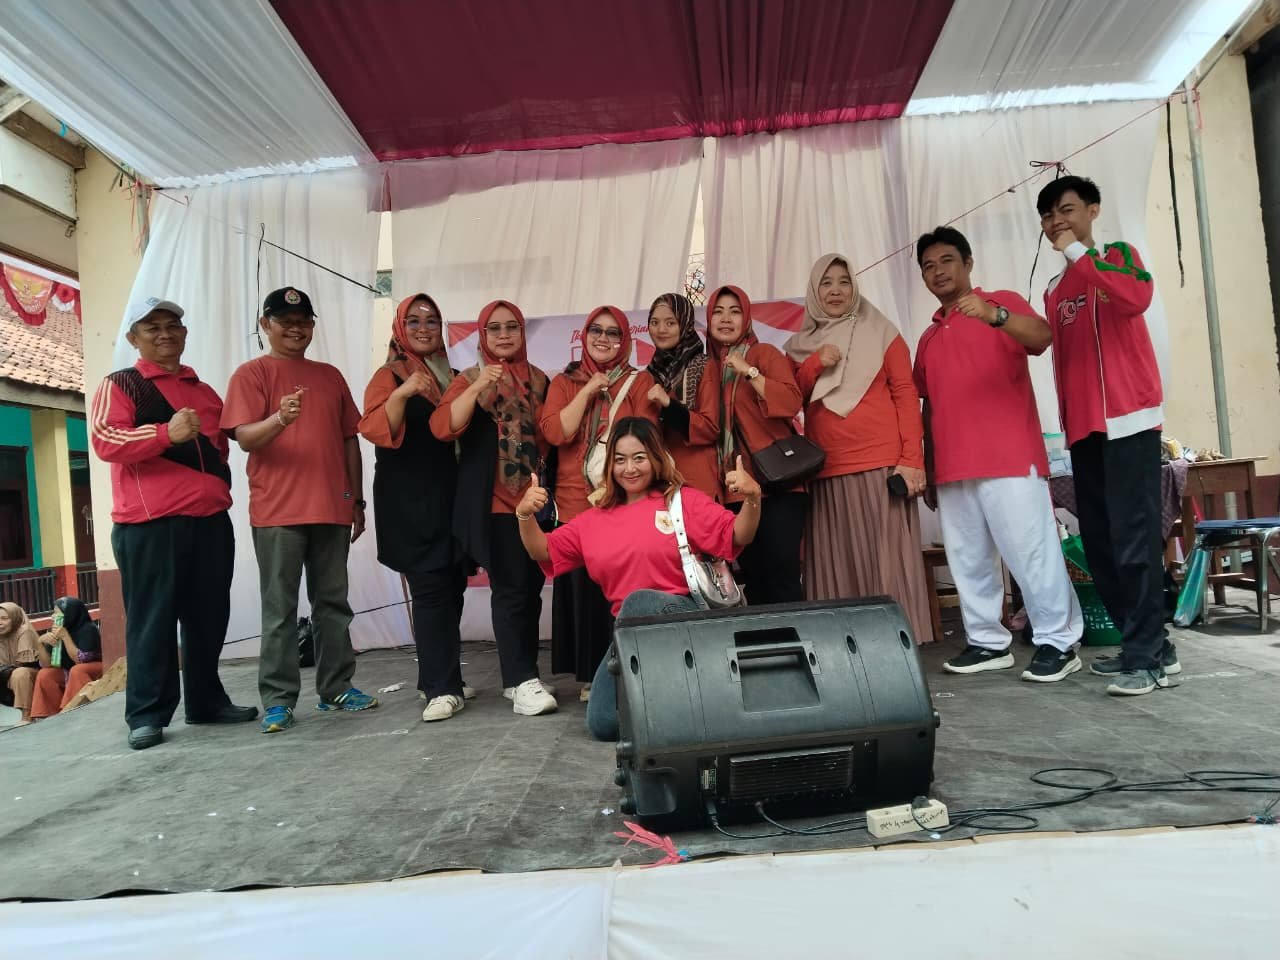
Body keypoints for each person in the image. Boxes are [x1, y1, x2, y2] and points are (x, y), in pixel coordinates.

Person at [514, 416, 761, 740]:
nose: (629, 468)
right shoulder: (593, 520)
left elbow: (739, 534)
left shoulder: (682, 501)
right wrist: (524, 515)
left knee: (639, 600)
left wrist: (753, 498)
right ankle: (688, 711)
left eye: (639, 457)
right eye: (620, 460)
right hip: (631, 636)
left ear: (656, 458)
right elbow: (542, 550)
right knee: (604, 722)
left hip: (685, 621)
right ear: (609, 465)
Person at [914, 227, 1085, 681]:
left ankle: (1059, 641)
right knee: (968, 562)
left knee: (1031, 553)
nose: (938, 271)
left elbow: (1042, 336)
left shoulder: (1000, 304)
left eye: (946, 260)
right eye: (928, 266)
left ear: (968, 263)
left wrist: (995, 315)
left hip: (1010, 458)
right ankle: (987, 642)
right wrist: (930, 467)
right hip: (953, 467)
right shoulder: (928, 338)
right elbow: (928, 405)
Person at [90, 296, 256, 749]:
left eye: (172, 326)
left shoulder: (204, 390)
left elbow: (222, 445)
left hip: (210, 521)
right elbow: (105, 439)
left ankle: (206, 702)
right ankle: (147, 714)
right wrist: (165, 433)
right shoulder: (122, 384)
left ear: (184, 333)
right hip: (149, 525)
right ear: (134, 338)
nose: (165, 334)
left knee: (208, 617)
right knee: (152, 621)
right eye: (152, 328)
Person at [1038, 175, 1177, 696]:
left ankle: (1146, 660)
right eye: (1048, 215)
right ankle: (1152, 645)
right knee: (1100, 545)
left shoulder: (1117, 257)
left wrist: (1077, 252)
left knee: (1135, 541)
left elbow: (1136, 297)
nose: (1057, 221)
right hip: (1083, 430)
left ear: (1092, 210)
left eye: (1067, 209)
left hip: (1128, 421)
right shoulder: (1054, 290)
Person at [221, 286, 378, 734]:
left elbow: (350, 440)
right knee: (280, 610)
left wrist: (356, 499)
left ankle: (337, 689)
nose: (295, 329)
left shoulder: (329, 376)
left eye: (303, 322)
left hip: (332, 507)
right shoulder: (251, 374)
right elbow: (244, 438)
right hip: (278, 512)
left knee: (333, 605)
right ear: (265, 325)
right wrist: (280, 419)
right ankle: (278, 700)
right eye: (285, 321)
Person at [786, 254, 932, 645]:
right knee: (839, 562)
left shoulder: (883, 332)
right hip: (825, 467)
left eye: (844, 281)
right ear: (814, 291)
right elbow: (789, 399)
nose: (835, 290)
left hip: (881, 463)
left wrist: (912, 460)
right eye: (826, 283)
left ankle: (896, 644)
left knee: (886, 561)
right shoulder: (799, 345)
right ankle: (845, 645)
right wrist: (815, 363)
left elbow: (906, 394)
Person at [430, 299, 557, 717]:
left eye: (511, 327)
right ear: (482, 335)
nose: (503, 335)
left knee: (530, 588)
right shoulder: (469, 377)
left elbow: (549, 436)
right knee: (511, 589)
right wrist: (477, 387)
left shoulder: (539, 379)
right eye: (494, 329)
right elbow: (444, 427)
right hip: (495, 501)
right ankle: (522, 680)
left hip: (535, 500)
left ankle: (516, 678)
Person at [359, 293, 473, 723]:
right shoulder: (388, 375)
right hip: (410, 503)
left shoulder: (453, 375)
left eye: (432, 321)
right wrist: (404, 392)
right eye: (414, 320)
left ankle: (438, 678)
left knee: (453, 588)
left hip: (452, 501)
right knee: (430, 592)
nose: (424, 328)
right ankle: (442, 690)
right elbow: (375, 429)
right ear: (400, 328)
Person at [539, 306, 657, 697]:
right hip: (575, 502)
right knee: (583, 593)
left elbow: (647, 439)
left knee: (623, 589)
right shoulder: (565, 381)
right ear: (584, 335)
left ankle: (630, 671)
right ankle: (593, 676)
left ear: (625, 340)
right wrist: (590, 389)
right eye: (596, 331)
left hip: (623, 503)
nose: (603, 339)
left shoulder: (639, 382)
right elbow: (556, 433)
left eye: (612, 333)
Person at [705, 285, 805, 605]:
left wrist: (748, 371)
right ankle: (765, 638)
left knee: (782, 575)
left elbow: (790, 402)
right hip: (735, 489)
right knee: (754, 578)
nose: (726, 319)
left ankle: (792, 637)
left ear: (746, 318)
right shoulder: (706, 367)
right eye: (718, 312)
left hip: (777, 485)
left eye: (734, 311)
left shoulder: (764, 354)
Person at [645, 293, 722, 501]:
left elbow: (710, 428)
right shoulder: (649, 374)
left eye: (670, 323)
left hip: (696, 480)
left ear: (685, 325)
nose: (661, 329)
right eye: (655, 322)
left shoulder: (703, 365)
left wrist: (669, 404)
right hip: (659, 482)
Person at [31, 596, 103, 720]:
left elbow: (80, 660)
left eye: (56, 613)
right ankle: (49, 714)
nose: (53, 616)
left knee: (78, 670)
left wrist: (65, 636)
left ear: (70, 614)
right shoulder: (56, 630)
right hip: (69, 671)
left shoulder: (88, 629)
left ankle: (71, 710)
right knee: (45, 674)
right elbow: (47, 664)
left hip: (95, 669)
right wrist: (39, 643)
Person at [0, 602, 39, 723]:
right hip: (6, 674)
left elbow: (24, 663)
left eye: (4, 618)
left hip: (32, 673)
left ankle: (27, 716)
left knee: (20, 673)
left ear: (15, 618)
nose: (0, 622)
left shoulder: (24, 631)